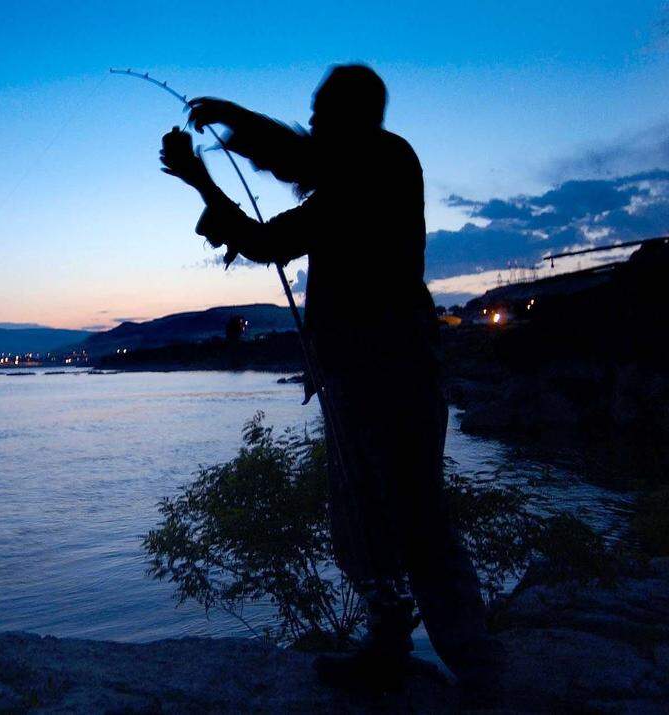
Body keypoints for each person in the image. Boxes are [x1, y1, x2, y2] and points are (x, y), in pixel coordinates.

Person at [158, 64, 503, 694]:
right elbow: (301, 164)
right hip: (365, 372)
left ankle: (477, 668)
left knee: (416, 521)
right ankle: (392, 645)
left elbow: (270, 236)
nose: (312, 118)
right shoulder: (370, 162)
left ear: (353, 116)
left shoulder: (374, 166)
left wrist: (203, 173)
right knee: (364, 519)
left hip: (386, 372)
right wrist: (232, 127)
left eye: (321, 109)